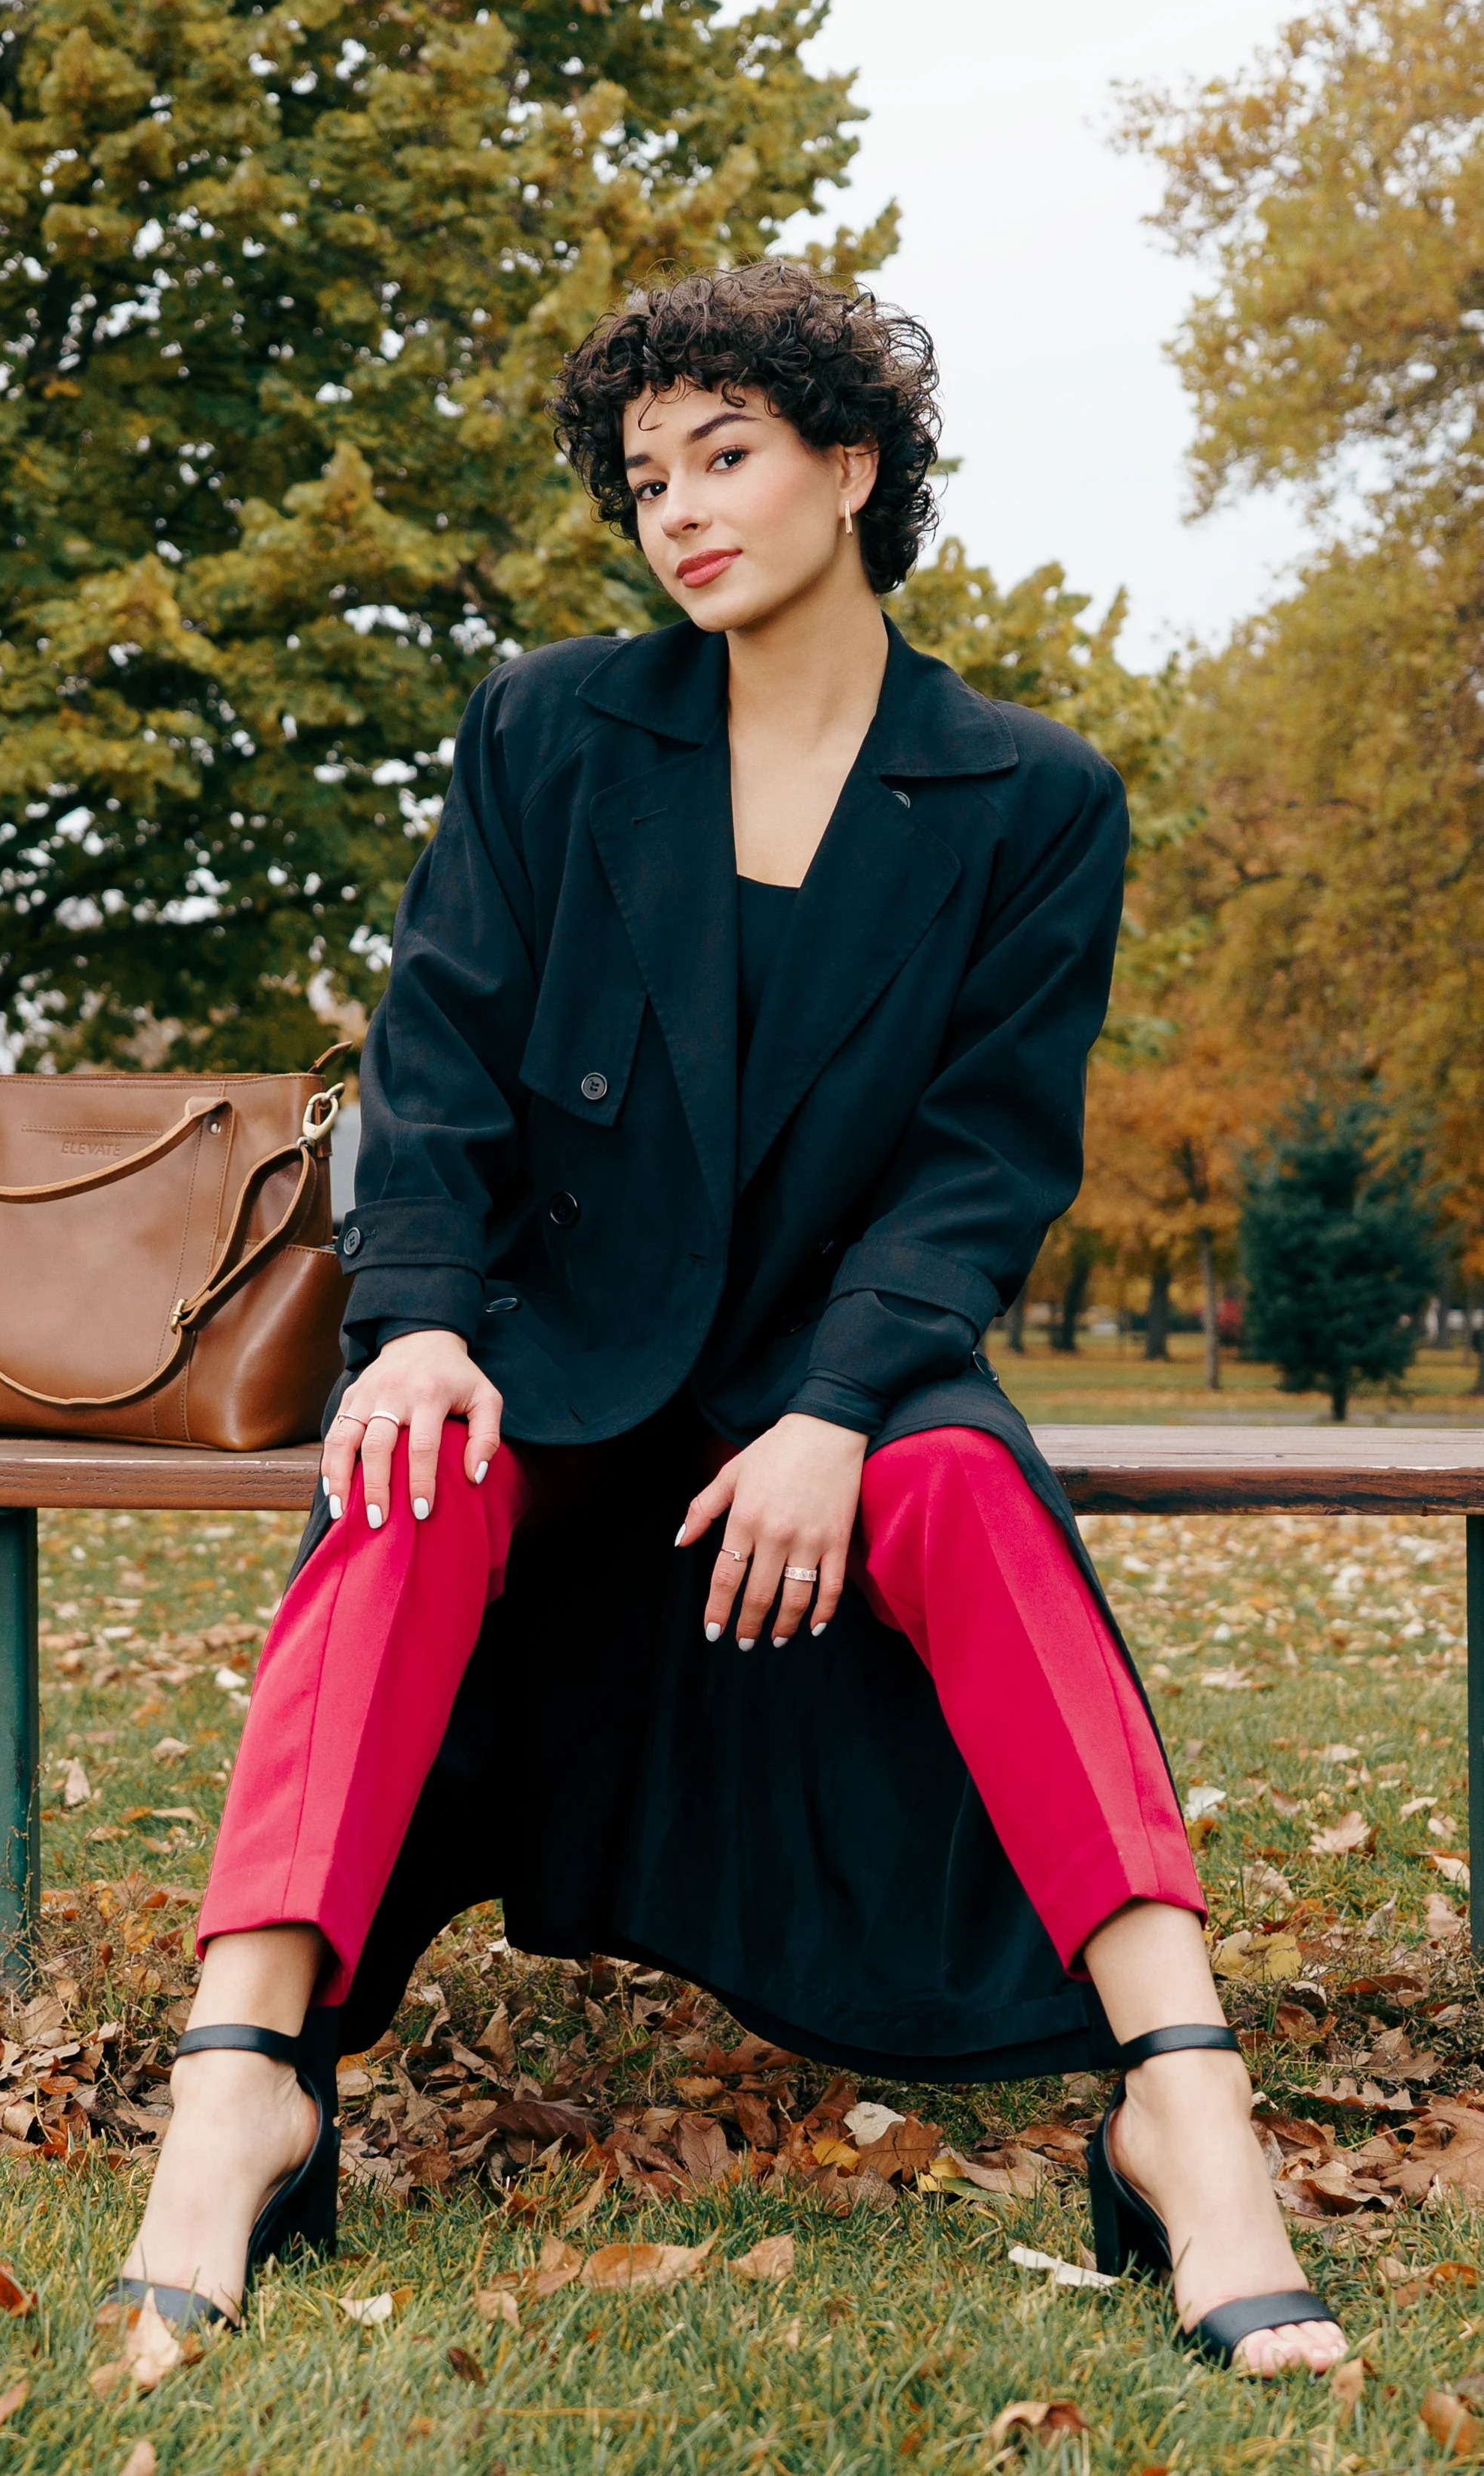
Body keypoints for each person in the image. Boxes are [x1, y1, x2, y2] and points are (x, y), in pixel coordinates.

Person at [114, 261, 1345, 2376]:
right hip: (556, 1340)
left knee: (971, 1495)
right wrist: (412, 1323)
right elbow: (436, 1067)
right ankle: (243, 2081)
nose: (678, 506)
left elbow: (985, 1158)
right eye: (645, 472)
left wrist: (847, 1402)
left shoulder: (1034, 798)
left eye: (729, 454)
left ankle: (1186, 2109)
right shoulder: (550, 732)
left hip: (841, 1358)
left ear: (850, 466)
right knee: (412, 1473)